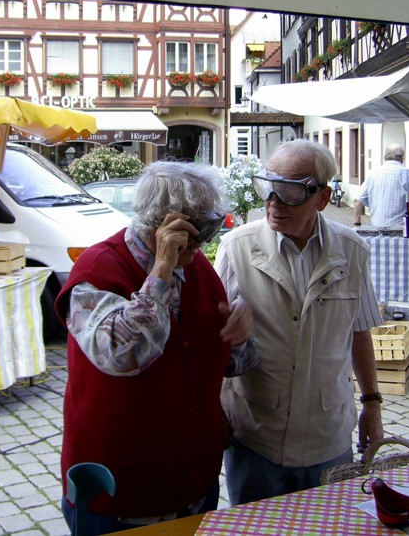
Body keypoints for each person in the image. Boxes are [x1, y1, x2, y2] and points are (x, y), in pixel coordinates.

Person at [55, 160, 256, 535]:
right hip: (118, 491)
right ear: (161, 224)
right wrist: (161, 270)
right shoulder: (97, 269)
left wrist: (241, 337)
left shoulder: (198, 270)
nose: (204, 243)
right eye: (199, 229)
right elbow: (120, 355)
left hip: (193, 484)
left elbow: (232, 364)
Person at [215, 139, 385, 505]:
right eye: (267, 187)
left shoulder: (351, 251)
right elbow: (210, 341)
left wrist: (372, 403)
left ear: (322, 198)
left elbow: (360, 332)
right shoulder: (236, 248)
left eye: (290, 191)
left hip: (328, 436)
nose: (273, 203)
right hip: (255, 436)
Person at [353, 143, 409, 228]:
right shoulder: (408, 174)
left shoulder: (373, 174)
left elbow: (357, 200)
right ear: (402, 158)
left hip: (376, 228)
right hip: (401, 229)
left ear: (385, 157)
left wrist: (357, 224)